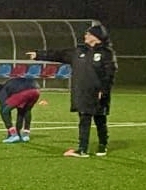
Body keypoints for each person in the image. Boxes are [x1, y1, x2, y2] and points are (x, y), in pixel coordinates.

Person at [28, 23, 115, 157]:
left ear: (96, 36)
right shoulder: (79, 51)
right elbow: (59, 54)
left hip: (98, 93)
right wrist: (38, 54)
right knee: (84, 119)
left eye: (89, 34)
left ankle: (102, 145)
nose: (86, 35)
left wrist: (103, 91)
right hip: (82, 92)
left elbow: (109, 74)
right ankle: (82, 149)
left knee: (100, 120)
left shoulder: (106, 54)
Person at [0, 72, 40, 144]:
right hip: (36, 91)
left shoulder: (1, 90)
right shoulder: (11, 83)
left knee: (4, 112)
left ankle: (13, 135)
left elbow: (3, 108)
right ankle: (25, 135)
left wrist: (9, 129)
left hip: (24, 93)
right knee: (26, 111)